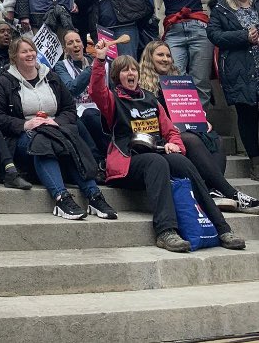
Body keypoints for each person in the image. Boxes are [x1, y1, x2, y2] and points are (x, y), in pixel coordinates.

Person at [89, 40, 244, 251]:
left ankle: (222, 228)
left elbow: (171, 131)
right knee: (157, 162)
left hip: (155, 154)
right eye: (125, 70)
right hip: (128, 163)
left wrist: (175, 144)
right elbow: (96, 91)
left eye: (134, 69)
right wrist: (99, 60)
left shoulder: (151, 99)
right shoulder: (113, 99)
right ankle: (165, 231)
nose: (131, 73)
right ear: (117, 77)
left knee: (182, 162)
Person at [0, 38, 115, 219]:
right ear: (14, 56)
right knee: (45, 142)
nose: (30, 54)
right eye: (24, 52)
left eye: (32, 50)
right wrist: (25, 124)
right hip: (23, 137)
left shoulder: (51, 77)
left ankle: (94, 196)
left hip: (55, 130)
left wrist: (57, 122)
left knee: (69, 140)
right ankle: (61, 198)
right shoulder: (5, 81)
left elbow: (70, 109)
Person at [139, 40, 259, 213]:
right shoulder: (143, 87)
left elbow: (189, 109)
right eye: (160, 55)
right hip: (163, 135)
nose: (165, 59)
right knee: (191, 140)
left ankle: (211, 191)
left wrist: (201, 119)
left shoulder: (178, 82)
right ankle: (231, 193)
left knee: (215, 139)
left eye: (168, 55)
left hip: (186, 128)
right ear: (149, 57)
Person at [154, 0, 224, 109]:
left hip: (199, 30)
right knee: (175, 77)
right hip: (174, 33)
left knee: (200, 79)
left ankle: (201, 124)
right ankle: (183, 120)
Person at [207, 0, 259, 180]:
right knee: (247, 116)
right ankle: (255, 162)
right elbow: (214, 35)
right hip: (239, 70)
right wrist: (243, 36)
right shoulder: (221, 9)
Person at [54, 29, 109, 168]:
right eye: (70, 43)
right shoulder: (61, 66)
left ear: (83, 45)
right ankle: (99, 159)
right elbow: (72, 89)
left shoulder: (98, 61)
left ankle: (111, 155)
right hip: (77, 110)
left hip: (100, 108)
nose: (75, 45)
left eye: (78, 41)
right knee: (89, 116)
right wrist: (94, 67)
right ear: (65, 48)